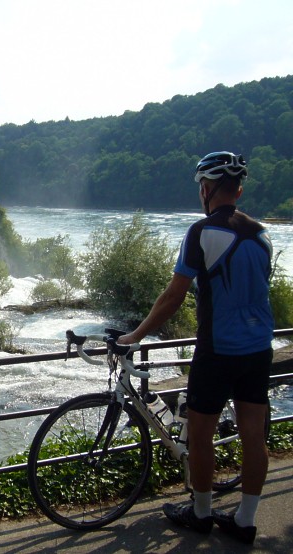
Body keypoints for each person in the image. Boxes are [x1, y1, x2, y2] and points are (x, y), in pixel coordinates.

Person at [117, 151, 274, 545]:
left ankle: (201, 513)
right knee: (253, 436)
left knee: (201, 435)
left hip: (218, 350)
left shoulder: (202, 232)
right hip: (259, 348)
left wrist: (135, 335)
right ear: (238, 190)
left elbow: (174, 296)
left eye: (201, 186)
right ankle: (245, 520)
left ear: (207, 189)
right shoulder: (263, 235)